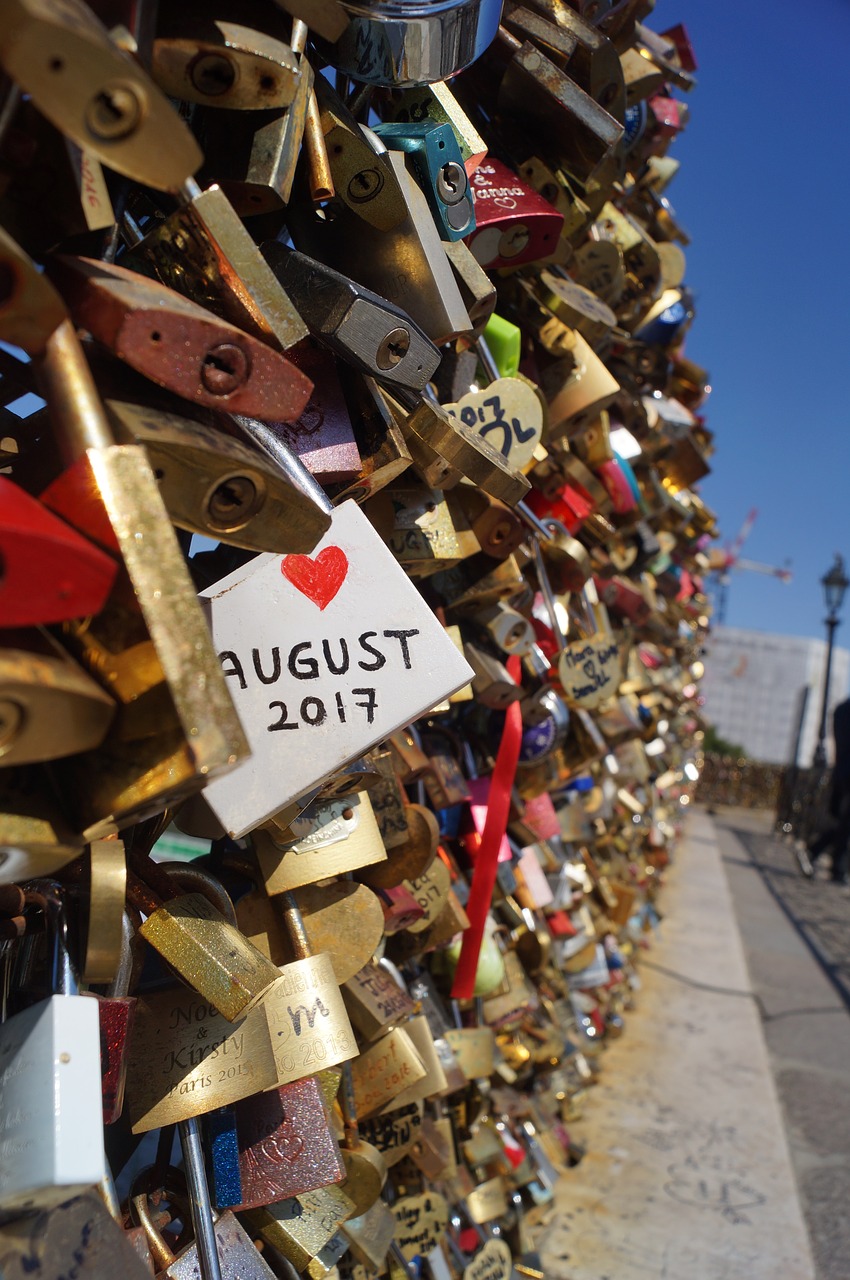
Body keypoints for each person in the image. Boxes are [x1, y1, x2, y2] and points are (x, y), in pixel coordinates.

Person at [805, 696, 850, 884]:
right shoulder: (844, 710)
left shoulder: (841, 709)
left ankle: (821, 854)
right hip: (846, 771)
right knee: (846, 823)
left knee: (845, 821)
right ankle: (828, 860)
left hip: (842, 771)